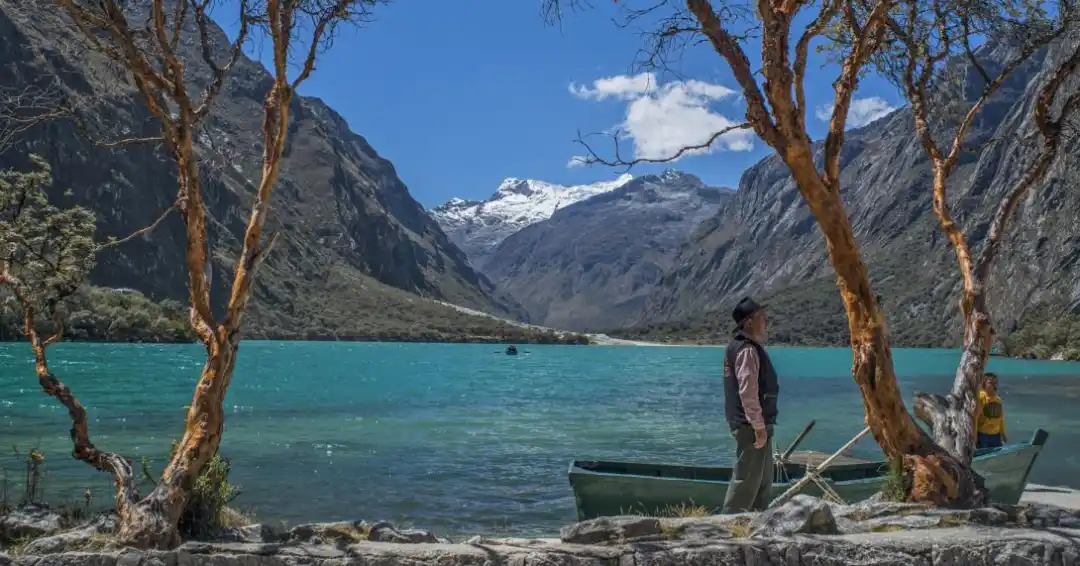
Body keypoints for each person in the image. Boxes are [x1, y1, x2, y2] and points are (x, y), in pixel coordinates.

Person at [721, 297, 780, 513]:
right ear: (748, 323)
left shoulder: (742, 348)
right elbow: (748, 393)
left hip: (755, 427)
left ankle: (756, 528)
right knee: (745, 484)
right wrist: (758, 427)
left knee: (761, 484)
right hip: (752, 428)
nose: (767, 320)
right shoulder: (747, 350)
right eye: (761, 317)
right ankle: (728, 530)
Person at [976, 372, 1007, 449]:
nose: (994, 385)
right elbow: (975, 419)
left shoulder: (998, 400)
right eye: (991, 383)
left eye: (995, 382)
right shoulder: (981, 398)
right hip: (983, 435)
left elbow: (1001, 419)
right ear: (984, 384)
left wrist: (1002, 433)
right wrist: (975, 438)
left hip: (996, 435)